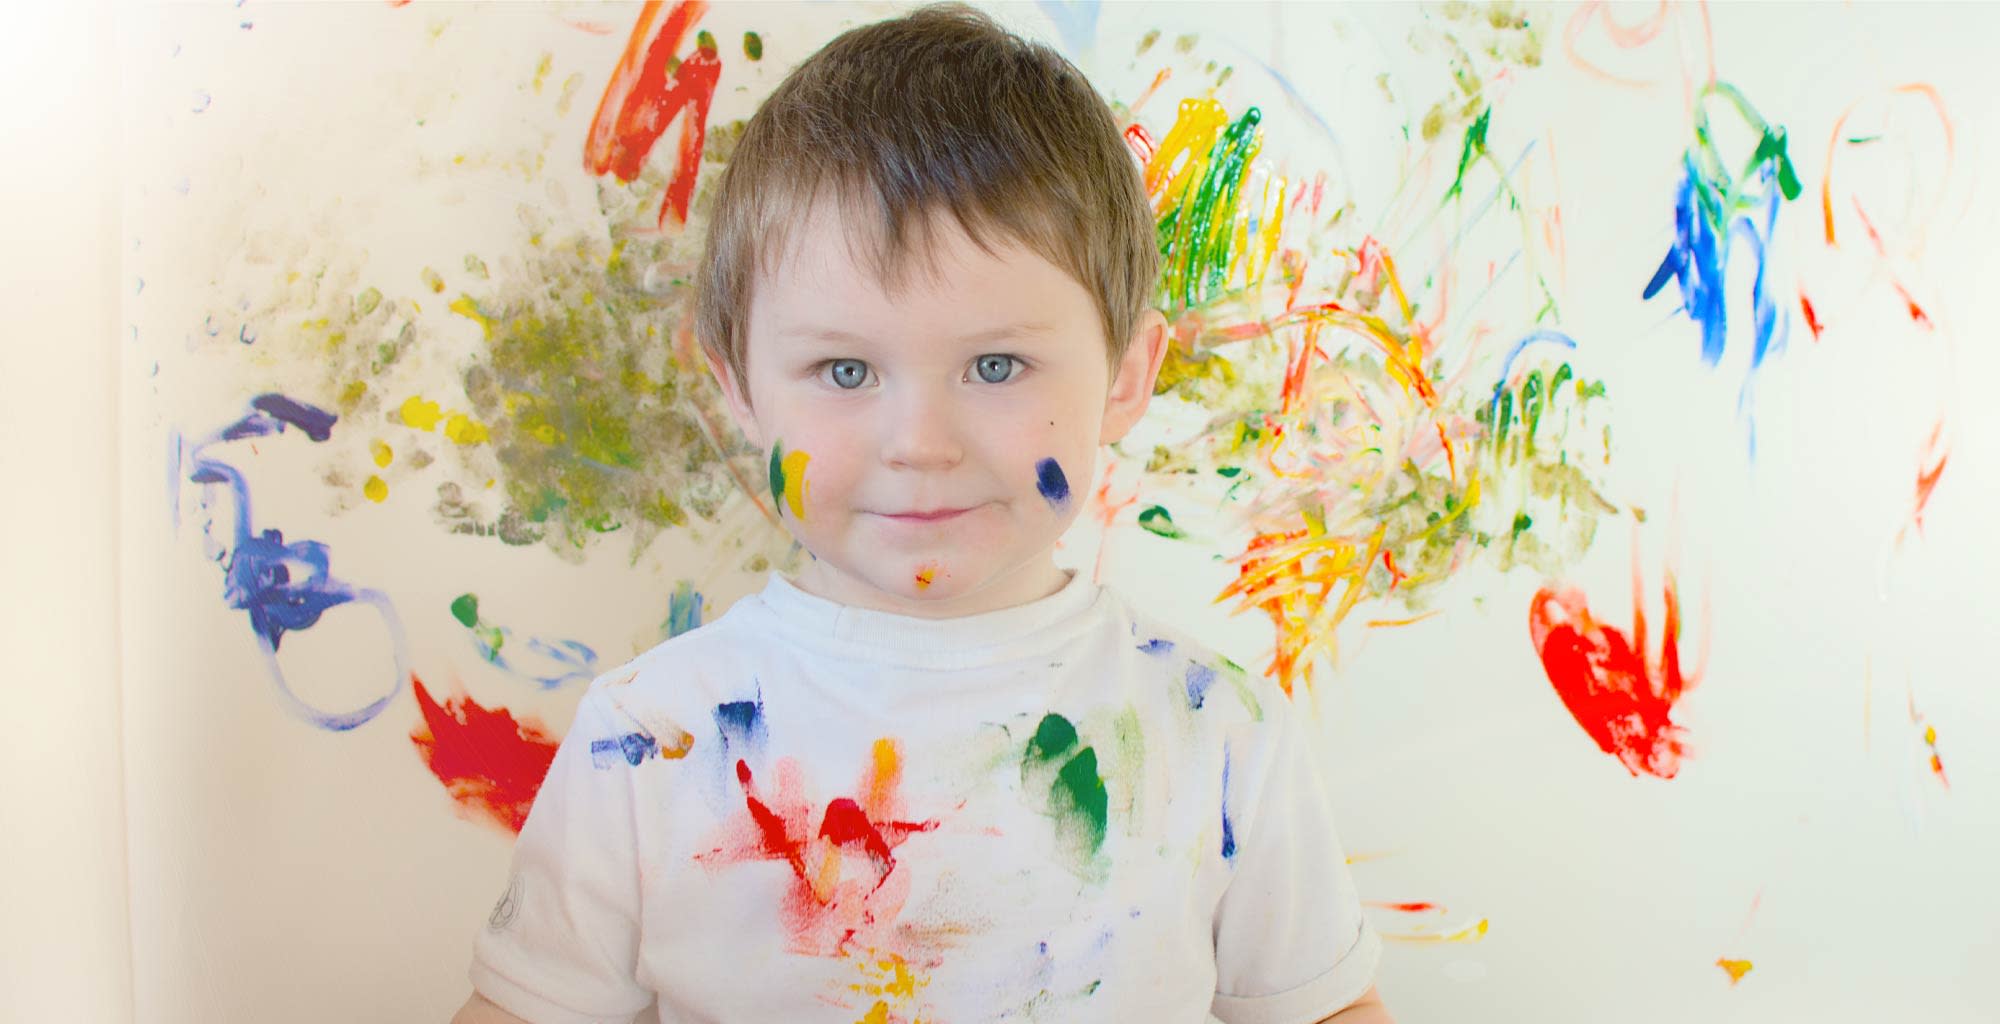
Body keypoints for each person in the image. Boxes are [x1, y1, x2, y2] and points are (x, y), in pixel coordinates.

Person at [453, 5, 1390, 1021]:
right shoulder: (647, 740)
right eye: (844, 368)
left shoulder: (1219, 736)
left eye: (994, 364)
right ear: (737, 384)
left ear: (1125, 377)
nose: (920, 440)